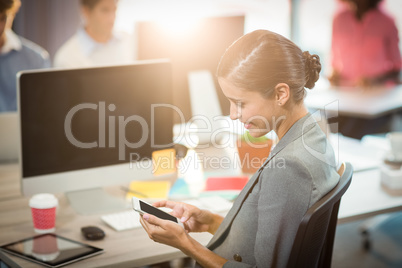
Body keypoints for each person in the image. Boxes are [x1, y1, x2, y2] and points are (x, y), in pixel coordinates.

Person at [139, 29, 340, 267]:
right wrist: (209, 221)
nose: (233, 114)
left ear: (281, 93)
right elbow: (269, 232)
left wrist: (185, 244)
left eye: (240, 103)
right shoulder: (312, 137)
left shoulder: (290, 168)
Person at [329, 0, 401, 87]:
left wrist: (376, 80)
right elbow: (334, 61)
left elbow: (397, 69)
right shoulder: (339, 19)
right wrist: (334, 75)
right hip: (346, 92)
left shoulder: (387, 22)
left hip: (378, 94)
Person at [0, 0, 50, 112]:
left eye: (3, 18)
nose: (0, 27)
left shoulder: (37, 60)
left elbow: (46, 112)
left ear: (13, 13)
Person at [53, 0, 136, 68]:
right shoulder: (66, 58)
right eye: (105, 10)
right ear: (86, 11)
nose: (112, 17)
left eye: (114, 9)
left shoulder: (130, 42)